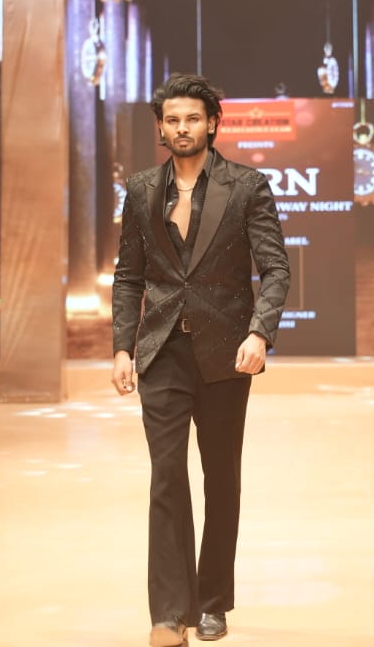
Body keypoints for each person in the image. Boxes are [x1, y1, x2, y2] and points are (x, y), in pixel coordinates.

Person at [112, 73, 290, 646]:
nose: (182, 128)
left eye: (192, 118)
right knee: (166, 476)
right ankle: (168, 613)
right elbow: (128, 276)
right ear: (161, 127)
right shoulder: (142, 190)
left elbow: (276, 268)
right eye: (172, 120)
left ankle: (212, 600)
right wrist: (122, 346)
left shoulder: (247, 186)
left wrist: (260, 333)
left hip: (225, 354)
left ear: (212, 123)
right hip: (161, 351)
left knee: (220, 479)